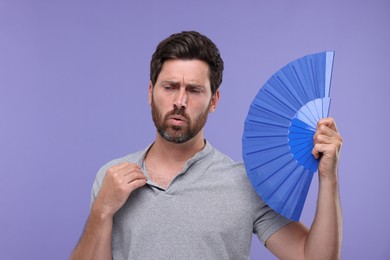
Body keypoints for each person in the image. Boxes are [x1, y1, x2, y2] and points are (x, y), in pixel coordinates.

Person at [71, 31, 342, 260]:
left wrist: (328, 177)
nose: (180, 100)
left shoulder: (246, 183)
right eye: (169, 87)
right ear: (150, 92)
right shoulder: (111, 178)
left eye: (194, 90)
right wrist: (101, 211)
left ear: (214, 100)